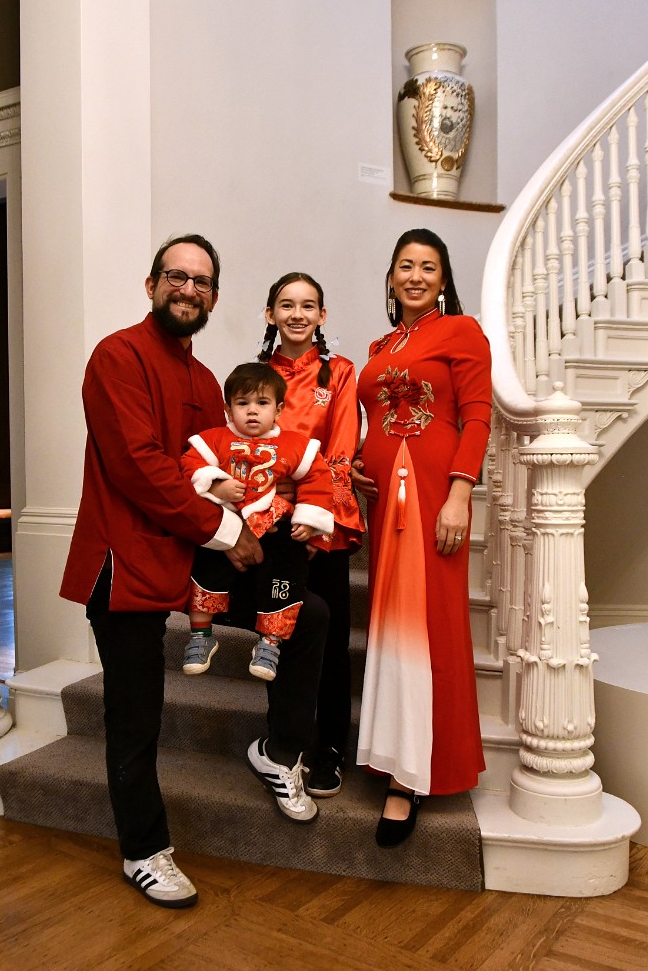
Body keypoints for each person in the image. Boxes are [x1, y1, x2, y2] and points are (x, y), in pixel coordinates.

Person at [60, 234, 329, 910]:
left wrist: (298, 490)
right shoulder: (115, 357)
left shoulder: (208, 381)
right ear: (151, 285)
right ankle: (144, 851)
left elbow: (229, 466)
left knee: (309, 615)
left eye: (202, 282)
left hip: (190, 559)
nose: (188, 289)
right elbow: (140, 467)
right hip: (124, 563)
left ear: (213, 298)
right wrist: (227, 529)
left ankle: (277, 749)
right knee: (136, 715)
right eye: (176, 277)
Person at [351, 228, 492, 848]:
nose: (415, 276)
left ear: (443, 278)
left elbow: (478, 413)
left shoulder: (461, 331)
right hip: (386, 502)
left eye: (427, 267)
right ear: (390, 278)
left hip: (434, 492)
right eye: (405, 266)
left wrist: (461, 492)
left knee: (426, 621)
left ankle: (412, 778)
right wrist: (358, 459)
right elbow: (376, 418)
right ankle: (394, 752)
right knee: (392, 623)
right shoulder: (383, 344)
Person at [258, 273, 364, 796]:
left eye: (308, 306)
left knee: (332, 642)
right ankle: (285, 740)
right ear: (270, 315)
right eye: (286, 305)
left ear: (322, 316)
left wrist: (314, 512)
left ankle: (329, 749)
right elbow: (245, 447)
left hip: (324, 527)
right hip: (272, 526)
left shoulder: (339, 373)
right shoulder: (255, 376)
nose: (297, 314)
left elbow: (340, 449)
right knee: (280, 631)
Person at [180, 361, 334, 681]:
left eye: (262, 403)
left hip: (273, 522)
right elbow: (189, 466)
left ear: (278, 410)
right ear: (227, 409)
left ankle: (270, 642)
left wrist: (309, 518)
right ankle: (200, 634)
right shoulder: (214, 440)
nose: (252, 411)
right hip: (228, 522)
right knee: (204, 561)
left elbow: (318, 479)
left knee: (288, 567)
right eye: (242, 403)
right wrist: (215, 483)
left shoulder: (296, 445)